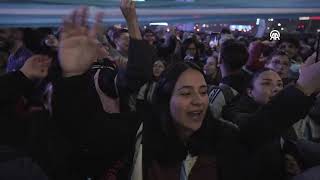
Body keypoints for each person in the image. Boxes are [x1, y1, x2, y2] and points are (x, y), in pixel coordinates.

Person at [53, 1, 320, 180]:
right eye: (185, 93)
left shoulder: (221, 137)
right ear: (165, 98)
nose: (198, 101)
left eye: (203, 91)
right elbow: (84, 130)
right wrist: (73, 76)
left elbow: (263, 124)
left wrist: (303, 89)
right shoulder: (137, 132)